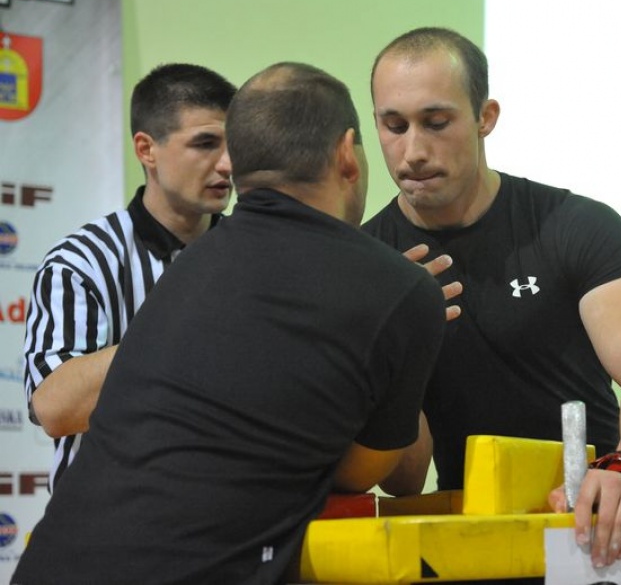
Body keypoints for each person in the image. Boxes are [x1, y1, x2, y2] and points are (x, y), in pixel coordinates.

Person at [12, 61, 446, 584]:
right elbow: (368, 473)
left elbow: (400, 476)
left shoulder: (207, 259)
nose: (217, 167)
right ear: (347, 155)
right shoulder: (96, 260)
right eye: (201, 144)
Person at [363, 26, 621, 575]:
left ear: (485, 117)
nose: (414, 150)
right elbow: (402, 477)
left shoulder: (573, 225)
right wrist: (386, 342)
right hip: (476, 544)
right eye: (393, 126)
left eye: (436, 122)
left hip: (602, 534)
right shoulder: (368, 263)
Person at [21, 63, 236, 492]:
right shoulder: (81, 260)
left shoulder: (254, 253)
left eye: (236, 145)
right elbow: (55, 407)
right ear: (146, 149)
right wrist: (190, 330)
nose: (229, 164)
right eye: (206, 143)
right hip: (105, 533)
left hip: (222, 527)